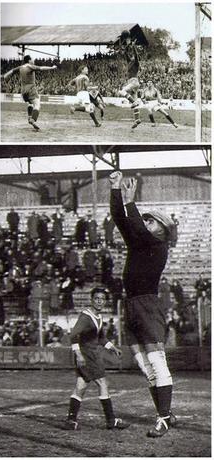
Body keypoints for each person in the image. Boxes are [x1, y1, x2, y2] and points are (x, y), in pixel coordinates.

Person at [109, 170, 176, 437]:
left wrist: (131, 200)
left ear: (162, 229)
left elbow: (134, 225)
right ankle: (166, 414)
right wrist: (115, 190)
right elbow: (120, 220)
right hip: (133, 305)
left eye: (152, 221)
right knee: (144, 365)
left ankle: (163, 418)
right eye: (146, 220)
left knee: (157, 362)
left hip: (147, 306)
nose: (147, 223)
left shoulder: (158, 245)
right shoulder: (140, 242)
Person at [60, 287, 129, 431]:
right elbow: (73, 335)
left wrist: (112, 347)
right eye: (97, 298)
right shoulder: (85, 316)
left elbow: (101, 337)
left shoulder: (99, 316)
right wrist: (78, 354)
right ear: (91, 300)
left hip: (90, 354)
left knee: (81, 385)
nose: (99, 301)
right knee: (103, 383)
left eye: (102, 299)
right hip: (87, 356)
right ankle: (111, 420)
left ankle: (71, 420)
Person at [2, 55, 58, 130]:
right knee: (37, 104)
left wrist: (4, 76)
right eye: (32, 59)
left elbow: (11, 71)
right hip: (31, 89)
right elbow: (42, 68)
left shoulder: (21, 67)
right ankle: (33, 120)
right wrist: (52, 67)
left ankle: (29, 117)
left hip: (23, 90)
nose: (33, 60)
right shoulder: (30, 66)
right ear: (29, 60)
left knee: (30, 103)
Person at [117, 30, 142, 129]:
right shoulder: (130, 63)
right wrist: (124, 45)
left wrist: (134, 46)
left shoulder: (136, 63)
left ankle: (134, 102)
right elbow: (126, 55)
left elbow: (136, 56)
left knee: (121, 91)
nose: (131, 57)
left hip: (134, 82)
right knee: (134, 103)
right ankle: (137, 120)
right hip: (133, 83)